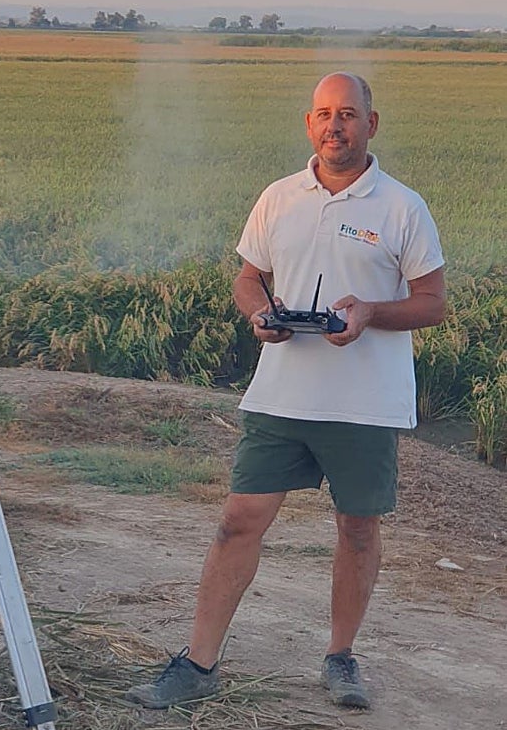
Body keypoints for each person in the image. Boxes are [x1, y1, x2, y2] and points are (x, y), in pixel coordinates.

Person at [126, 71, 446, 711]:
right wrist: (258, 315)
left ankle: (340, 657)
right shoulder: (278, 198)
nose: (336, 125)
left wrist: (367, 316)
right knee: (237, 521)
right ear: (309, 124)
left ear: (371, 125)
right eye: (325, 114)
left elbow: (432, 303)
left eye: (349, 114)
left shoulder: (402, 206)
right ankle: (198, 663)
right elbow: (250, 277)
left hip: (364, 403)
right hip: (279, 396)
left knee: (357, 529)